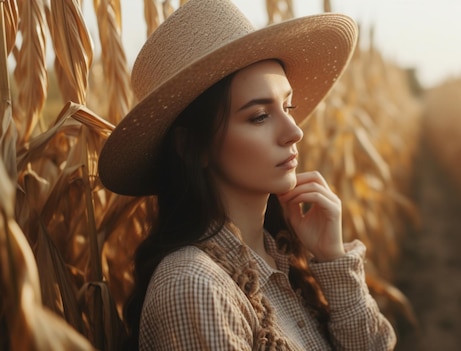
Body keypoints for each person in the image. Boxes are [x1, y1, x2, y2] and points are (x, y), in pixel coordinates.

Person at [98, 0, 397, 350]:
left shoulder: (279, 261)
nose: (294, 131)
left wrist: (331, 258)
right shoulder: (194, 288)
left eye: (288, 107)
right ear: (193, 145)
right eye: (259, 116)